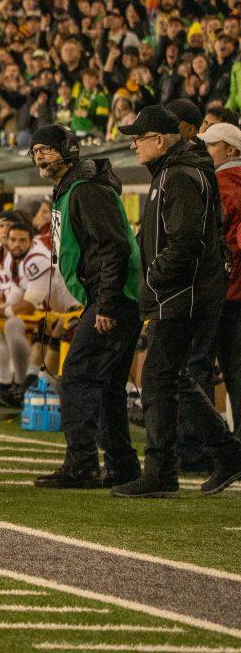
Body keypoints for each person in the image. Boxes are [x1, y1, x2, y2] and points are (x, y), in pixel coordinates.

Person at [115, 106, 241, 496]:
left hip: (182, 294)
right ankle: (223, 453)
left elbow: (185, 241)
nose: (133, 143)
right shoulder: (178, 171)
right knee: (171, 376)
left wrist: (152, 278)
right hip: (185, 292)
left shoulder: (179, 175)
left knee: (158, 378)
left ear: (160, 140)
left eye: (139, 136)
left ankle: (165, 470)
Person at [199, 122, 241, 436]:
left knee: (231, 369)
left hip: (229, 290)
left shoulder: (224, 182)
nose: (207, 150)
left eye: (212, 145)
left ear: (230, 149)